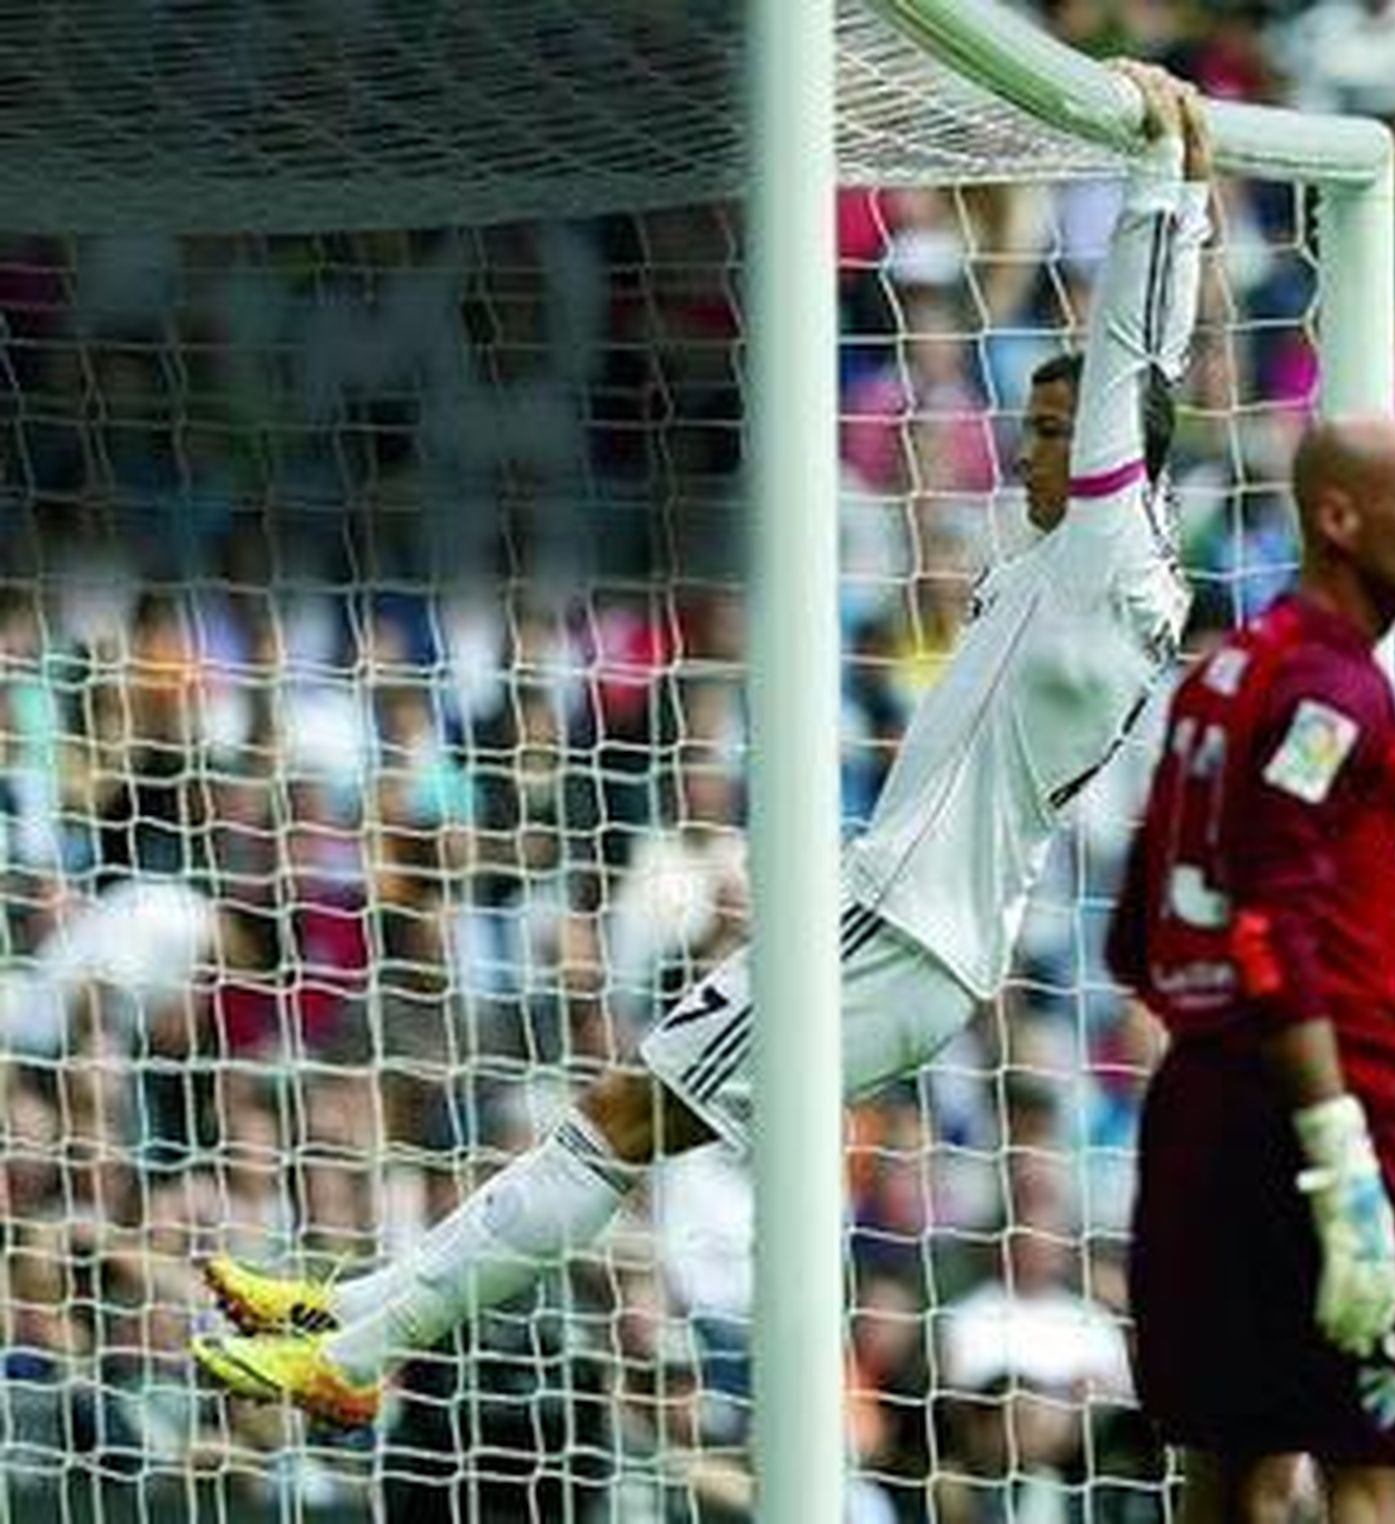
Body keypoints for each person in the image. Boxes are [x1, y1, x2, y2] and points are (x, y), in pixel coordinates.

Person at [191, 61, 1215, 1427]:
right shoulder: (1079, 561)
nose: (1026, 456)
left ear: (1109, 457)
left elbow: (1131, 366)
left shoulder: (1108, 551)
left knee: (618, 1123)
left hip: (905, 928)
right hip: (905, 925)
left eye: (1050, 431)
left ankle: (362, 1352)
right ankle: (355, 1317)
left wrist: (1164, 180)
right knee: (616, 1117)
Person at [1108, 412, 1395, 1522]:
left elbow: (1134, 935)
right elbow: (1275, 927)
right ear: (1336, 516)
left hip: (1202, 1117)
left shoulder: (1226, 674)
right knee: (1385, 1483)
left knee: (1232, 1477)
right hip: (1329, 1116)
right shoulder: (1334, 694)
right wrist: (1335, 1160)